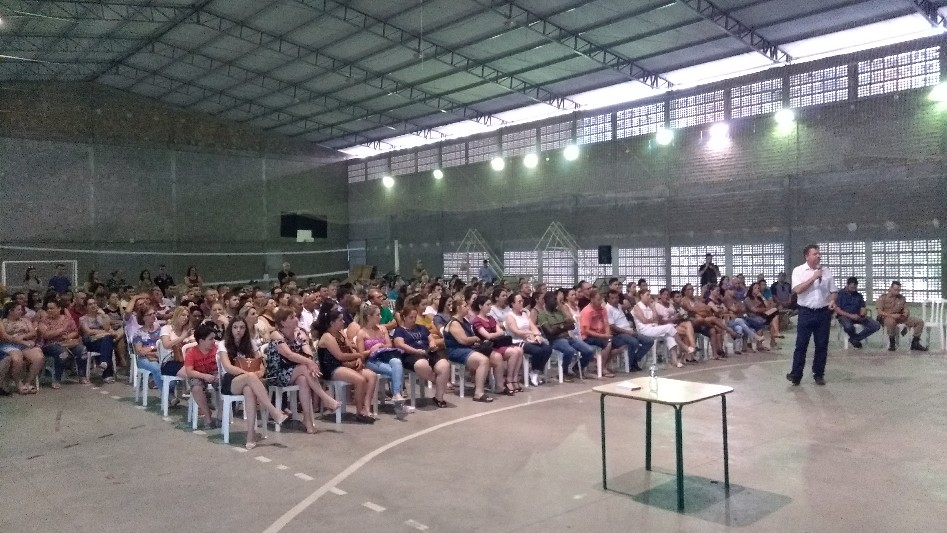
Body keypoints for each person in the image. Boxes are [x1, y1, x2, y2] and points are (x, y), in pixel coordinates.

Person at [219, 317, 289, 449]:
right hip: (231, 380)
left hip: (250, 381)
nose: (238, 330)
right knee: (250, 378)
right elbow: (228, 367)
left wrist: (260, 372)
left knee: (249, 390)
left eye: (242, 327)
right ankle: (274, 412)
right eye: (235, 327)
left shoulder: (250, 343)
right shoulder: (223, 344)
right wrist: (248, 374)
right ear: (230, 329)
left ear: (246, 329)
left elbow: (260, 363)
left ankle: (250, 435)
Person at [313, 304, 376, 424]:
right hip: (332, 368)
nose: (343, 322)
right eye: (340, 320)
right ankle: (359, 412)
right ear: (332, 323)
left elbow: (350, 348)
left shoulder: (341, 333)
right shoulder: (327, 337)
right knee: (360, 380)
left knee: (371, 375)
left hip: (344, 365)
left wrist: (357, 357)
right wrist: (359, 355)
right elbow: (340, 356)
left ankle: (366, 407)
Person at [787, 244, 837, 386]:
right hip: (806, 312)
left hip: (823, 313)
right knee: (801, 344)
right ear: (807, 256)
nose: (818, 256)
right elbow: (798, 290)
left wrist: (832, 300)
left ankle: (819, 374)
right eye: (815, 254)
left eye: (819, 254)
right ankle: (796, 374)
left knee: (821, 345)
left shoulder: (827, 272)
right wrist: (813, 278)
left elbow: (833, 291)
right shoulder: (799, 271)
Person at [355, 303, 409, 417]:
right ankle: (398, 403)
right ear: (369, 317)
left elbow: (389, 344)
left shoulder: (382, 328)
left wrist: (380, 345)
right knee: (395, 372)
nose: (380, 317)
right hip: (371, 361)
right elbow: (361, 353)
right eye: (377, 315)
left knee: (397, 362)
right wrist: (371, 350)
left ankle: (396, 394)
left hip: (385, 356)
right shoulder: (362, 333)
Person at [392, 306, 451, 407]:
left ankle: (439, 397)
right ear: (404, 317)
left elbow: (431, 338)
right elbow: (400, 344)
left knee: (444, 365)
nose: (413, 320)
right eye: (411, 317)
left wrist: (432, 344)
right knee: (421, 364)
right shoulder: (399, 330)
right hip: (410, 354)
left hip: (428, 352)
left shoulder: (421, 327)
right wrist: (416, 351)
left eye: (415, 317)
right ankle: (436, 380)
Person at [443, 294, 495, 402]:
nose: (468, 308)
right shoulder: (454, 323)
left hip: (467, 348)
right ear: (458, 308)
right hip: (456, 350)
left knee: (493, 356)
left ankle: (479, 384)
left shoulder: (465, 320)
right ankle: (478, 393)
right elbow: (463, 340)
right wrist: (475, 338)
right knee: (483, 360)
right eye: (465, 306)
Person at [471, 295, 522, 394]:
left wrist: (493, 334)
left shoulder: (491, 318)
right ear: (480, 306)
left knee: (518, 350)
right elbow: (487, 336)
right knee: (509, 353)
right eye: (487, 305)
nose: (490, 307)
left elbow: (501, 332)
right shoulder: (477, 320)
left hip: (496, 344)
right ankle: (500, 385)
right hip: (485, 347)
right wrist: (494, 334)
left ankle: (511, 379)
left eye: (490, 304)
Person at [38, 297, 87, 388]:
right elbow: (46, 335)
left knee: (82, 350)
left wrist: (67, 337)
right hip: (50, 345)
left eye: (52, 308)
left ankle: (82, 376)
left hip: (67, 342)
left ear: (59, 308)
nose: (49, 310)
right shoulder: (44, 321)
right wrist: (60, 331)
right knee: (62, 353)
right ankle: (57, 379)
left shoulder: (67, 319)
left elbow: (75, 331)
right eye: (48, 308)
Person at [505, 293, 552, 387]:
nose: (521, 303)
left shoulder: (524, 314)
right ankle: (534, 371)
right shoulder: (510, 316)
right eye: (519, 302)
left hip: (529, 339)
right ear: (512, 304)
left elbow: (532, 326)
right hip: (517, 341)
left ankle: (535, 371)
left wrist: (537, 335)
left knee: (547, 348)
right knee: (538, 351)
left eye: (522, 301)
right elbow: (516, 331)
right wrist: (530, 333)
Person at [633, 290, 685, 368]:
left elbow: (656, 318)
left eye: (649, 295)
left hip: (654, 328)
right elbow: (644, 321)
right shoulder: (637, 306)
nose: (649, 297)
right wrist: (652, 320)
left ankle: (675, 361)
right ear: (641, 295)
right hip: (645, 330)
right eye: (647, 295)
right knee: (669, 327)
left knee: (669, 336)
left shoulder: (650, 306)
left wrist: (652, 308)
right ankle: (683, 346)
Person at [1, 302, 45, 393]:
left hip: (25, 344)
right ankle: (18, 383)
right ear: (10, 311)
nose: (21, 311)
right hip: (9, 344)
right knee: (17, 359)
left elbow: (33, 333)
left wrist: (23, 337)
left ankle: (28, 382)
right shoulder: (2, 322)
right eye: (18, 309)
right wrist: (22, 342)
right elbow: (5, 337)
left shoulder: (25, 320)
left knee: (39, 357)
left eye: (21, 309)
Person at [605, 289, 654, 371]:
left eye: (616, 297)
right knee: (634, 342)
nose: (615, 300)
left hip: (629, 331)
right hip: (618, 334)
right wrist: (627, 332)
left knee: (649, 341)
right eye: (612, 298)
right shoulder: (607, 309)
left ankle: (634, 361)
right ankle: (631, 365)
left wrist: (631, 330)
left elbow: (628, 308)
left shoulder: (619, 306)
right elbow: (612, 327)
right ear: (608, 299)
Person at [875, 281, 928, 352]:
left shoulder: (902, 298)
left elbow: (906, 308)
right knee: (891, 322)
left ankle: (915, 343)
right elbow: (879, 311)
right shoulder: (883, 297)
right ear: (890, 288)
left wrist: (906, 312)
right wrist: (892, 315)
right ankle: (892, 344)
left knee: (919, 322)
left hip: (900, 317)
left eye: (899, 290)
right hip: (887, 317)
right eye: (895, 290)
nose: (897, 292)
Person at [834, 277, 881, 349]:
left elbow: (863, 307)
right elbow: (838, 310)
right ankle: (855, 339)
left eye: (855, 288)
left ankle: (855, 339)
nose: (854, 289)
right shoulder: (840, 294)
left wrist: (863, 312)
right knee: (848, 327)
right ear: (847, 285)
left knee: (876, 325)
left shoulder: (858, 295)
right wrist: (851, 316)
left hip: (857, 316)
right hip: (844, 316)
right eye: (852, 288)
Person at [78, 297, 116, 383]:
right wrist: (104, 332)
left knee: (107, 341)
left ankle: (103, 363)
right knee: (108, 341)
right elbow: (88, 332)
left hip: (103, 341)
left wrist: (104, 315)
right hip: (91, 342)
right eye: (90, 304)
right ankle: (107, 374)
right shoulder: (83, 319)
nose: (93, 305)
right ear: (86, 307)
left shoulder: (101, 317)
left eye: (94, 303)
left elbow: (107, 328)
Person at [579, 288, 614, 377]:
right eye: (598, 300)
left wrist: (607, 334)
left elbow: (606, 323)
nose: (600, 302)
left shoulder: (602, 309)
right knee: (608, 343)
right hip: (588, 337)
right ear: (592, 299)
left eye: (601, 299)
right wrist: (603, 336)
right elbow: (586, 331)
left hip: (600, 335)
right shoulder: (587, 311)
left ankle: (601, 364)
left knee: (615, 342)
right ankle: (602, 368)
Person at [132, 304, 164, 390]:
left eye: (154, 313)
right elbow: (140, 351)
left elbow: (164, 344)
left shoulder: (160, 329)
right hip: (144, 359)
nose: (153, 316)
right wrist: (154, 347)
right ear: (143, 318)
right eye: (150, 314)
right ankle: (166, 393)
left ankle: (167, 390)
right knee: (156, 368)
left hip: (160, 355)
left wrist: (149, 348)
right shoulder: (138, 333)